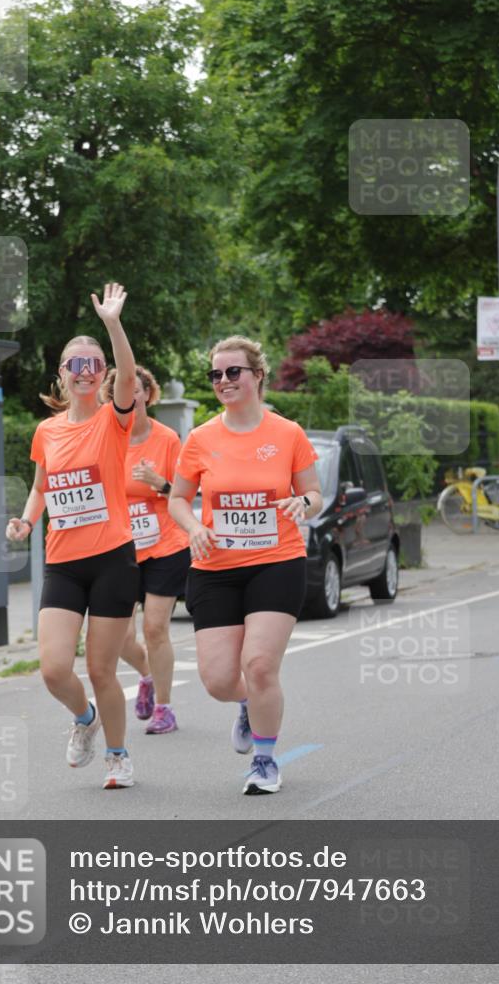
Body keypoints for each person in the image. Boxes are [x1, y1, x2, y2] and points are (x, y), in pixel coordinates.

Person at [169, 336, 322, 794]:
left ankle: (264, 760)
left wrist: (303, 503)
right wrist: (193, 526)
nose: (223, 381)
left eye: (233, 372)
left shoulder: (287, 433)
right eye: (215, 374)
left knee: (258, 665)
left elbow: (313, 493)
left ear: (257, 375)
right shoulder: (200, 438)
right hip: (215, 567)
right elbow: (177, 498)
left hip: (276, 562)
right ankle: (245, 704)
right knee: (218, 680)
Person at [5, 283, 139, 789]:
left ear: (102, 375)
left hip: (112, 560)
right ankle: (85, 719)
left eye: (93, 365)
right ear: (61, 376)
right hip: (63, 563)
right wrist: (26, 519)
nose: (85, 373)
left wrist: (111, 324)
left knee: (103, 669)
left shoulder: (113, 420)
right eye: (74, 365)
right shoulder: (47, 432)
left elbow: (130, 373)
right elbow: (43, 487)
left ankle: (118, 756)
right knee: (55, 669)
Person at [101, 365, 190, 734]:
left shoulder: (167, 439)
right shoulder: (105, 439)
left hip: (165, 544)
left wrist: (161, 484)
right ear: (112, 399)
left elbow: (186, 494)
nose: (131, 397)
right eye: (123, 391)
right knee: (120, 638)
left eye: (136, 390)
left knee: (155, 628)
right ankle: (147, 675)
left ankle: (165, 709)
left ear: (147, 394)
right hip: (120, 549)